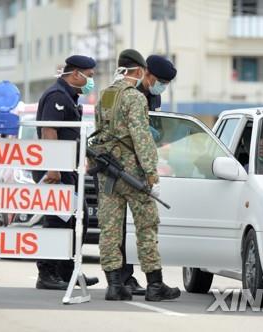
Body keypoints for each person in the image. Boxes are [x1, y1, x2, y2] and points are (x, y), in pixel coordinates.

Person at [91, 49, 181, 301]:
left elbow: (99, 132)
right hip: (133, 175)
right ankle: (154, 285)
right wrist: (152, 175)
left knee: (109, 230)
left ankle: (115, 285)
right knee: (146, 227)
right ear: (140, 70)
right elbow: (142, 139)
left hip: (109, 173)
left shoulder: (106, 94)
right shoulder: (135, 98)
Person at [32, 55, 99, 290]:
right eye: (89, 76)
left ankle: (67, 271)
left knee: (76, 219)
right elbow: (50, 131)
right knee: (57, 221)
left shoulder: (69, 96)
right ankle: (47, 273)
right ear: (75, 74)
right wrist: (53, 167)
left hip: (67, 168)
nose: (91, 81)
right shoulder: (57, 96)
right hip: (55, 171)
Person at [119, 54, 177, 296]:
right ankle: (124, 279)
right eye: (159, 80)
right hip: (123, 166)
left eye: (165, 82)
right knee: (119, 227)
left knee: (144, 226)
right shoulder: (128, 92)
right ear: (146, 73)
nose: (161, 85)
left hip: (143, 165)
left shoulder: (154, 95)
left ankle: (141, 280)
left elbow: (156, 130)